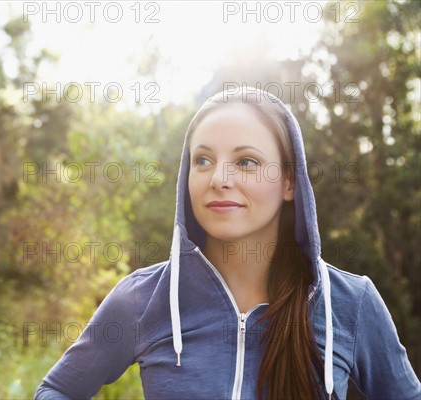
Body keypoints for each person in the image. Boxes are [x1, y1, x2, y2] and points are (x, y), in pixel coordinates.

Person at [34, 87, 421, 399]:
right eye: (203, 160)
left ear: (290, 181)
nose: (218, 178)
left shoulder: (351, 304)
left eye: (246, 162)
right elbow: (56, 390)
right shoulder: (142, 298)